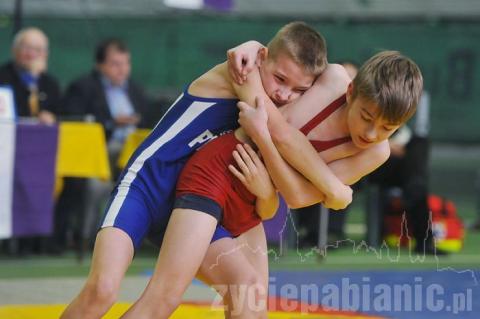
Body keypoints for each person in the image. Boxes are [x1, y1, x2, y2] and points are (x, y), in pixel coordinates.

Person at [60, 21, 344, 319]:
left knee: (243, 287)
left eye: (299, 90)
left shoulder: (267, 95)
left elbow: (270, 204)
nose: (284, 94)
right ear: (262, 59)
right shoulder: (243, 73)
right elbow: (283, 130)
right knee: (102, 289)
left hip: (191, 202)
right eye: (280, 79)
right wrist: (333, 186)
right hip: (145, 187)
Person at [119, 47, 423, 319]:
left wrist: (267, 156)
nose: (371, 133)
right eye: (367, 117)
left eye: (388, 128)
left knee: (251, 301)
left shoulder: (376, 152)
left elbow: (299, 196)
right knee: (164, 297)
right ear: (350, 92)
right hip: (222, 169)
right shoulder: (332, 79)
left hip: (253, 200)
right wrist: (332, 187)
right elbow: (279, 127)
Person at [52, 38, 151, 254]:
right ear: (100, 65)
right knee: (96, 185)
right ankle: (85, 237)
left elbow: (147, 123)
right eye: (115, 64)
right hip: (99, 151)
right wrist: (112, 123)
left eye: (126, 63)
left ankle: (139, 238)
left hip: (133, 152)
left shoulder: (136, 90)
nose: (122, 69)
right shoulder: (83, 87)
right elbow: (75, 122)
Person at [0, 27, 60, 124]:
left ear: (46, 54)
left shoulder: (51, 84)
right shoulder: (3, 77)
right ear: (14, 50)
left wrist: (51, 118)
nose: (32, 54)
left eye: (39, 50)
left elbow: (61, 115)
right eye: (27, 48)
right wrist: (31, 77)